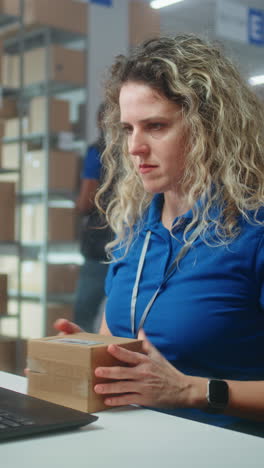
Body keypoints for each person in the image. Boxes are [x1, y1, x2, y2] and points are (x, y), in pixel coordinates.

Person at [55, 34, 264, 433]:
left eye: (155, 126)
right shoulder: (136, 233)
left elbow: (181, 388)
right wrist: (88, 356)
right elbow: (118, 345)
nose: (135, 147)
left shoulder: (254, 233)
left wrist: (190, 391)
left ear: (210, 128)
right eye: (128, 128)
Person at [74, 103, 111, 332]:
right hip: (133, 245)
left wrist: (76, 206)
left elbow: (86, 201)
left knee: (83, 321)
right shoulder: (135, 153)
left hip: (100, 246)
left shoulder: (97, 152)